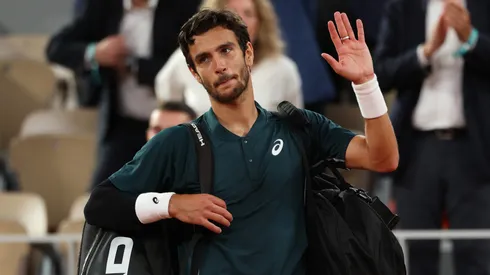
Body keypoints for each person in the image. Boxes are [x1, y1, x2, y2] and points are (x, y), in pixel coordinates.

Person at [84, 9, 398, 275]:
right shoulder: (178, 142)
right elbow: (100, 204)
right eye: (204, 59)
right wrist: (171, 204)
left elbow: (382, 158)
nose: (219, 65)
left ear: (247, 53)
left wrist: (366, 84)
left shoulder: (298, 127)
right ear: (194, 73)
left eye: (226, 50)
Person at [374, 0, 490, 274]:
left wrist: (470, 38)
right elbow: (381, 72)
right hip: (416, 150)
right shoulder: (402, 7)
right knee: (416, 254)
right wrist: (426, 52)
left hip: (473, 150)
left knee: (474, 254)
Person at [45, 0, 201, 190]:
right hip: (122, 126)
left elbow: (190, 63)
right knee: (99, 200)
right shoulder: (103, 5)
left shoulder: (187, 6)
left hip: (174, 127)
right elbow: (56, 48)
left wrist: (133, 66)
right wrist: (94, 53)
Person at [155, 0, 303, 115]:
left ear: (261, 22)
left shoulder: (283, 69)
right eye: (231, 12)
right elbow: (165, 98)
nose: (240, 20)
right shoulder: (185, 60)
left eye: (248, 13)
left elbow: (296, 128)